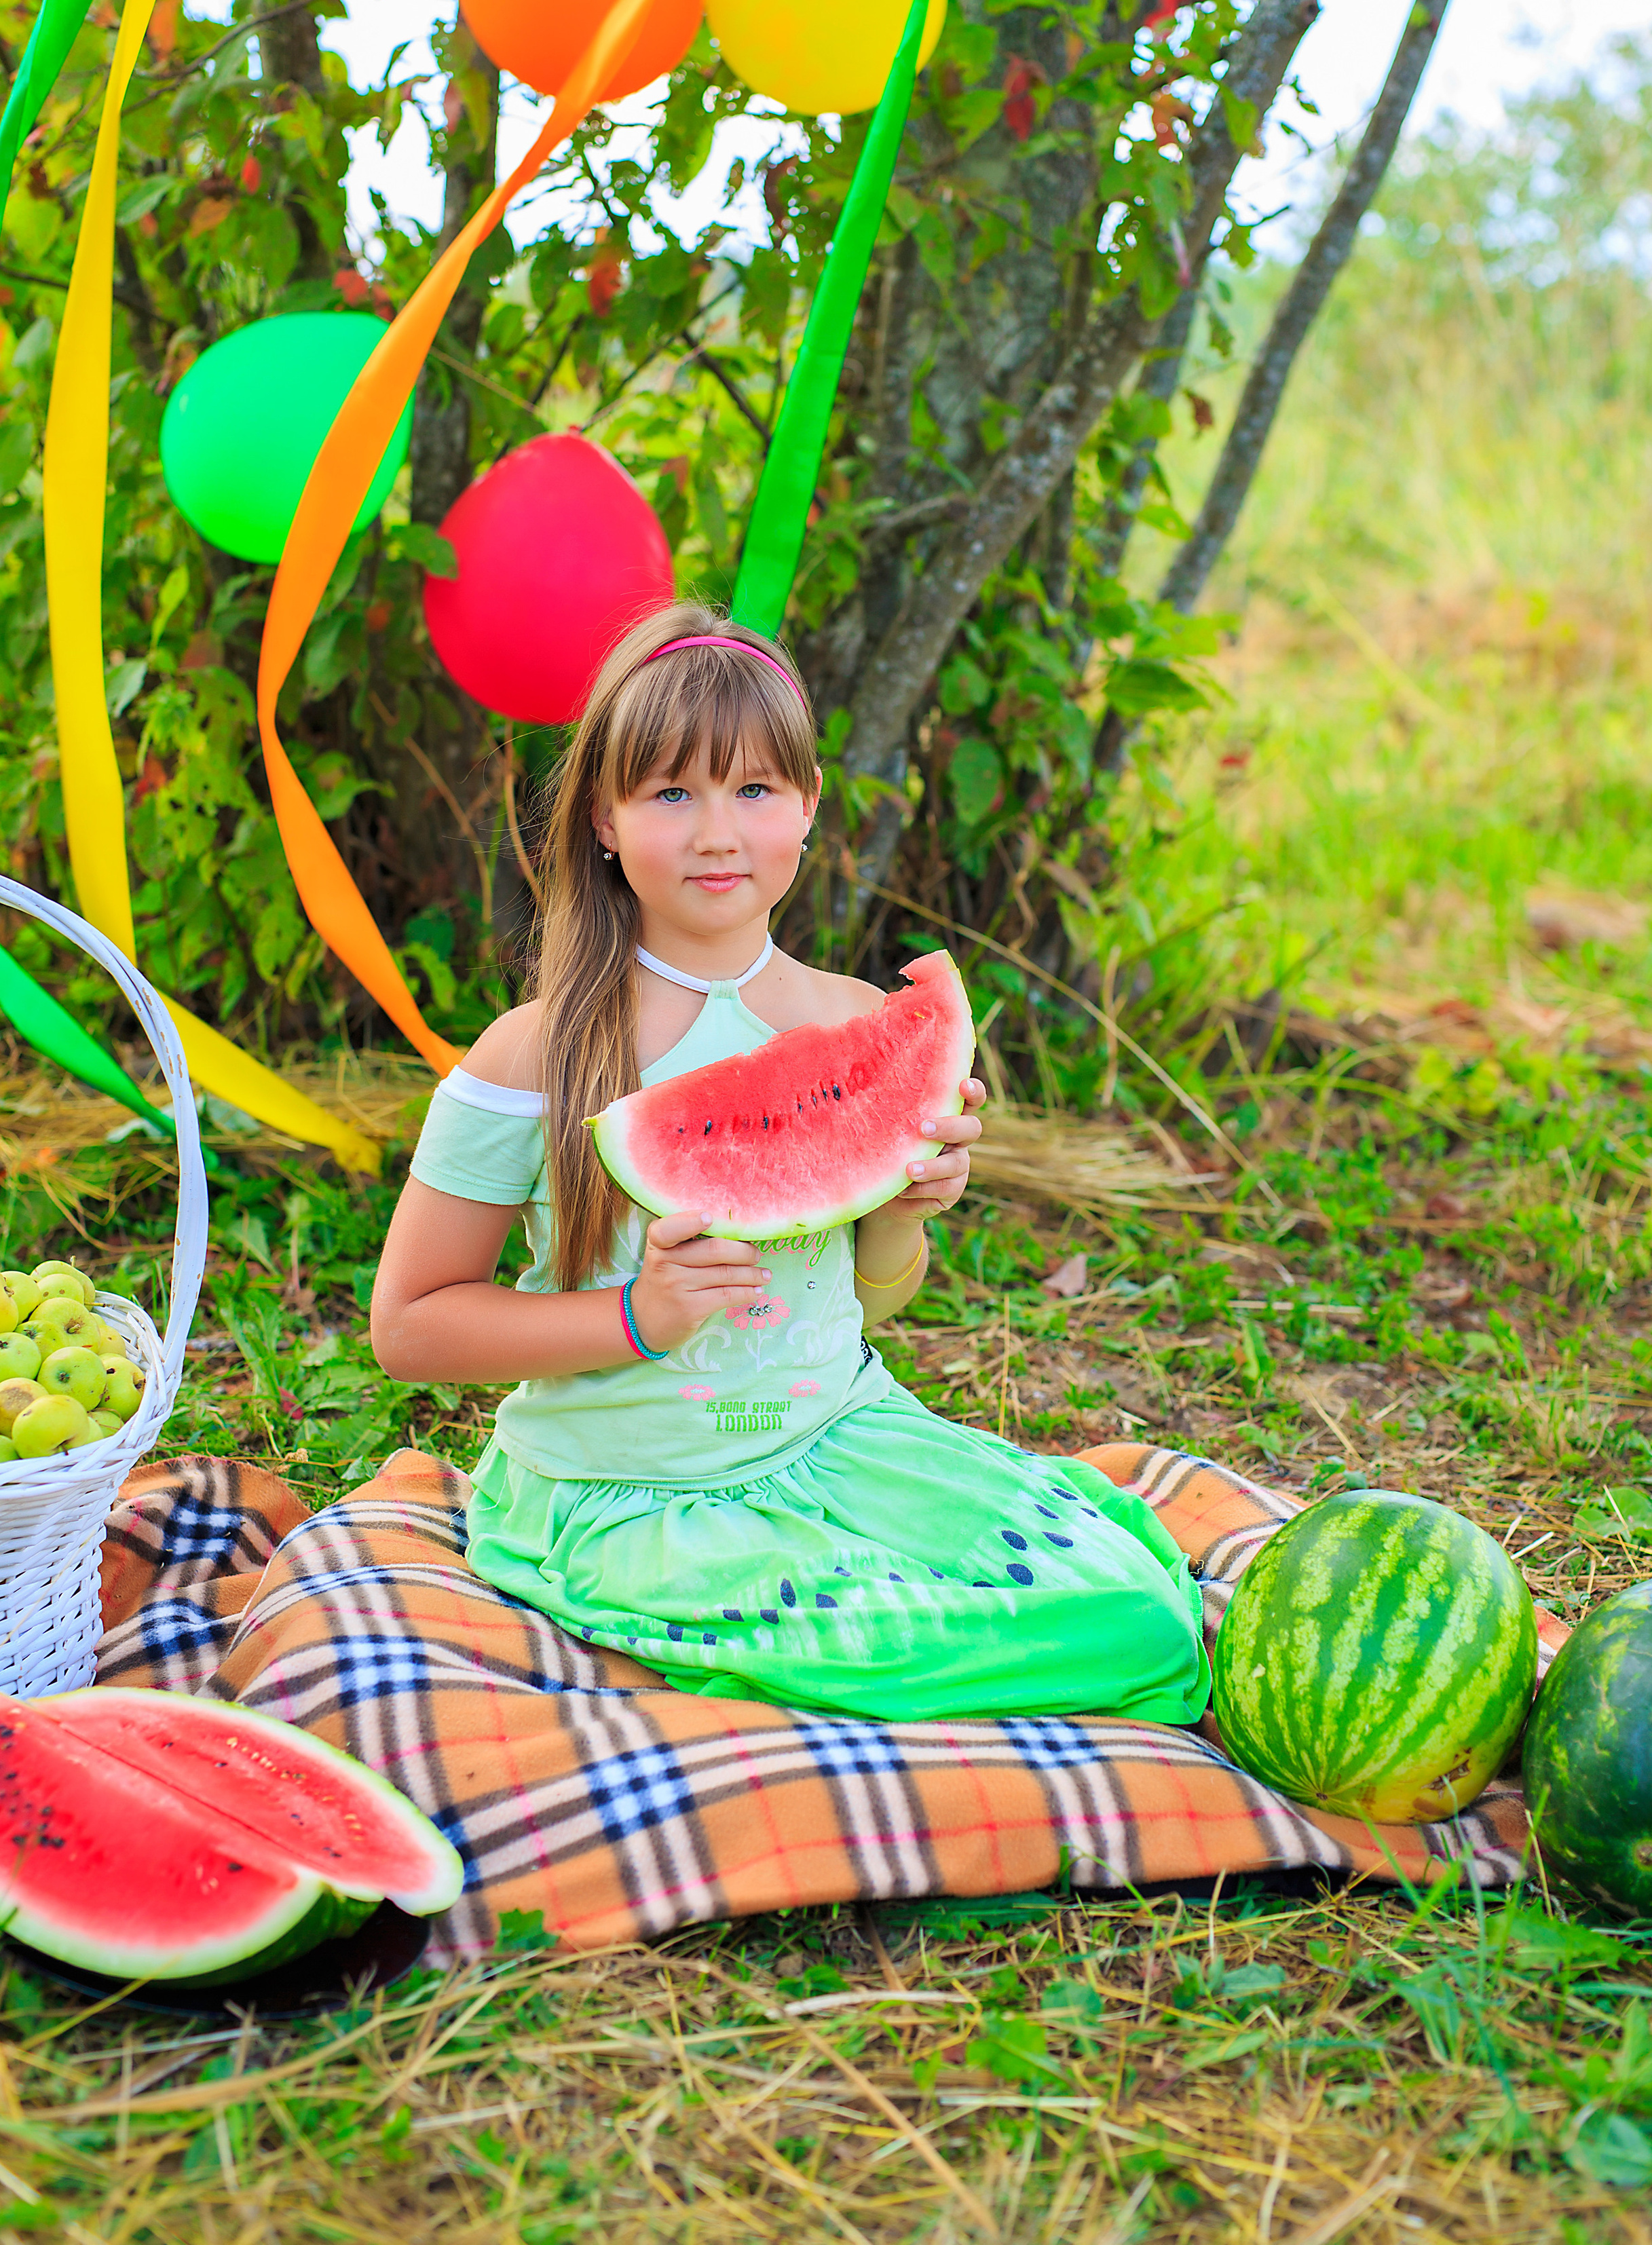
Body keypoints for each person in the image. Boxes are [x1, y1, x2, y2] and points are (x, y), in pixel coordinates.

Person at [372, 604, 1209, 1725]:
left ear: (808, 808)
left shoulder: (859, 1020)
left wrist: (908, 1208)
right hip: (632, 1495)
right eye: (672, 793)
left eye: (754, 790)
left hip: (842, 1439)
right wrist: (636, 1319)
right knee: (913, 1647)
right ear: (606, 822)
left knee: (1135, 1608)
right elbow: (410, 1326)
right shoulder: (534, 1052)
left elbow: (869, 1299)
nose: (718, 832)